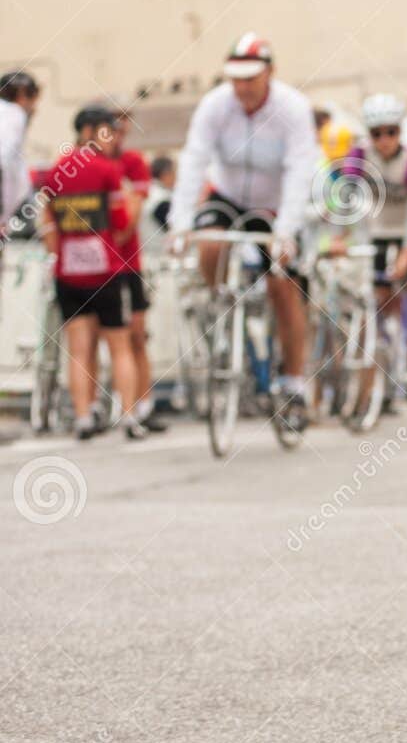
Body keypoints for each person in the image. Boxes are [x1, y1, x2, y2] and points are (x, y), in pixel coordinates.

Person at [169, 33, 319, 426]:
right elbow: (194, 160)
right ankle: (221, 307)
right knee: (210, 245)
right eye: (235, 79)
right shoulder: (215, 105)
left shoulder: (292, 108)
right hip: (228, 193)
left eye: (250, 79)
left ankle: (293, 380)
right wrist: (180, 223)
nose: (242, 88)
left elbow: (300, 171)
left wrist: (285, 231)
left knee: (282, 285)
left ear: (270, 73)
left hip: (273, 202)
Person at [37, 106, 145, 441]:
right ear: (89, 132)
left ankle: (83, 416)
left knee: (79, 348)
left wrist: (60, 253)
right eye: (107, 131)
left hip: (68, 274)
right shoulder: (106, 171)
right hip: (107, 272)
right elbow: (122, 224)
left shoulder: (56, 171)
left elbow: (48, 226)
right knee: (120, 345)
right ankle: (128, 415)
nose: (113, 139)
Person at [342, 94, 407, 411]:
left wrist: (406, 254)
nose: (385, 140)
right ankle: (368, 384)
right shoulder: (357, 159)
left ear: (400, 131)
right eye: (377, 133)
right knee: (373, 297)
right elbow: (350, 206)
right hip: (376, 231)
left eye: (391, 132)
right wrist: (349, 243)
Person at [105, 106, 166, 432]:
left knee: (137, 336)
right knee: (102, 339)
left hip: (127, 263)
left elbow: (129, 220)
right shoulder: (89, 164)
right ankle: (107, 406)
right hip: (97, 269)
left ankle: (143, 405)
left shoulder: (132, 163)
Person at [1, 70, 42, 229]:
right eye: (33, 99)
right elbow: (3, 161)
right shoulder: (13, 114)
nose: (34, 107)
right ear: (22, 95)